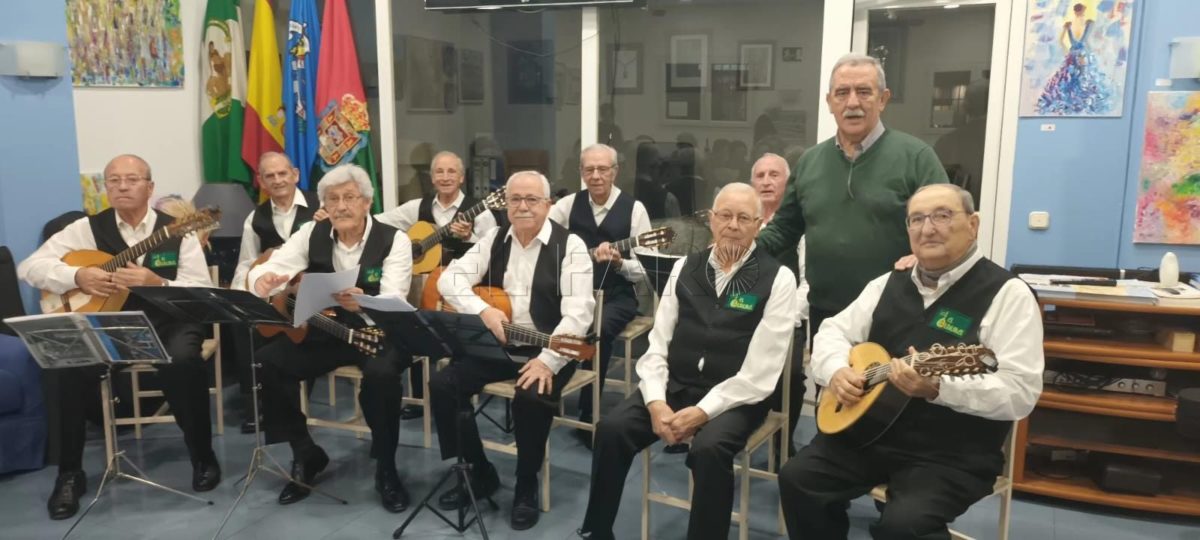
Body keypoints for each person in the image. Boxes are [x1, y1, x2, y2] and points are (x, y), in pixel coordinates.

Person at [778, 184, 1044, 540]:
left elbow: (1021, 392)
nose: (927, 228)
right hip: (868, 435)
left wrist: (939, 389)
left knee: (904, 527)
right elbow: (832, 331)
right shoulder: (887, 283)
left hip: (951, 453)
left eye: (942, 215)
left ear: (974, 224)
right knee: (798, 480)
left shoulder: (1009, 295)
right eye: (916, 219)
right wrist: (836, 370)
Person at [579, 184, 796, 540]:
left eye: (744, 218)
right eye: (725, 215)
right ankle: (596, 530)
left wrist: (703, 412)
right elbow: (658, 344)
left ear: (759, 225)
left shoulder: (779, 278)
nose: (733, 225)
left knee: (710, 450)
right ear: (712, 220)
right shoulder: (684, 267)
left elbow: (760, 373)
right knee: (612, 429)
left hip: (737, 400)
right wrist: (656, 402)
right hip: (675, 387)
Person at [18, 154, 222, 520]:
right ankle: (69, 473)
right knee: (65, 365)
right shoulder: (84, 228)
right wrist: (77, 278)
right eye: (114, 180)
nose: (122, 186)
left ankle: (201, 454)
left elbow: (200, 290)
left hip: (169, 320)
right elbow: (29, 267)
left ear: (150, 186)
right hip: (107, 321)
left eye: (131, 179)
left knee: (182, 361)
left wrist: (157, 281)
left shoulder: (178, 229)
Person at [429, 171, 594, 531]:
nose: (522, 207)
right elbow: (448, 279)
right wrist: (483, 310)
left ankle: (525, 484)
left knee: (531, 397)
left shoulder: (572, 246)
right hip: (498, 344)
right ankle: (478, 471)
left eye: (532, 199)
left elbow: (579, 314)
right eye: (515, 199)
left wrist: (548, 361)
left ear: (548, 205)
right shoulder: (494, 237)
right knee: (443, 386)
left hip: (551, 347)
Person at [247, 164, 415, 512]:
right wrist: (262, 280)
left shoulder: (394, 239)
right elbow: (272, 266)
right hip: (328, 331)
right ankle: (305, 453)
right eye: (332, 199)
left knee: (382, 377)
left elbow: (396, 298)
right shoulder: (312, 232)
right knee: (268, 361)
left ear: (367, 202)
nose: (341, 206)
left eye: (350, 197)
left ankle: (387, 467)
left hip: (377, 330)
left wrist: (364, 301)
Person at [757, 52, 948, 335]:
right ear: (829, 101)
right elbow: (785, 229)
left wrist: (923, 256)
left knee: (893, 381)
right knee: (831, 381)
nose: (853, 103)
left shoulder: (917, 157)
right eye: (842, 93)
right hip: (827, 313)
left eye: (864, 92)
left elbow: (947, 226)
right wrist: (740, 248)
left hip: (898, 311)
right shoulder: (809, 162)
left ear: (883, 99)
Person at [375, 150, 502, 420]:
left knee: (453, 335)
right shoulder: (417, 207)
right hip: (422, 287)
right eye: (439, 172)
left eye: (451, 172)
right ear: (432, 178)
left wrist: (469, 237)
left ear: (462, 176)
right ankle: (421, 398)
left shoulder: (479, 210)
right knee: (417, 329)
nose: (445, 177)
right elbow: (378, 223)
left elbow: (492, 249)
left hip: (460, 290)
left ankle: (454, 394)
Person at [548, 143, 653, 447]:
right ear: (581, 172)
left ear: (614, 171)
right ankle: (551, 389)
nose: (596, 176)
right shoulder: (567, 205)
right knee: (546, 319)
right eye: (589, 169)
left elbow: (646, 269)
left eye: (602, 169)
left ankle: (586, 411)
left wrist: (620, 263)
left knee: (597, 330)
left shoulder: (634, 210)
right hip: (572, 292)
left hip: (617, 295)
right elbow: (546, 244)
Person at [230, 152, 326, 432]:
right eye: (269, 176)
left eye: (282, 173)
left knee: (298, 316)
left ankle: (294, 395)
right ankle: (255, 400)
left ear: (295, 174)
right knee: (243, 324)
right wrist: (242, 295)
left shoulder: (321, 206)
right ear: (261, 181)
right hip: (272, 291)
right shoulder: (255, 218)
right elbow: (247, 263)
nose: (277, 180)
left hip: (312, 288)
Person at [750, 153, 808, 455]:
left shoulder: (799, 227)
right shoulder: (744, 221)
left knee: (792, 375)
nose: (766, 181)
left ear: (788, 184)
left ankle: (781, 445)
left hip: (788, 318)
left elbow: (806, 283)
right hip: (745, 314)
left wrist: (786, 319)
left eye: (774, 175)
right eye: (760, 176)